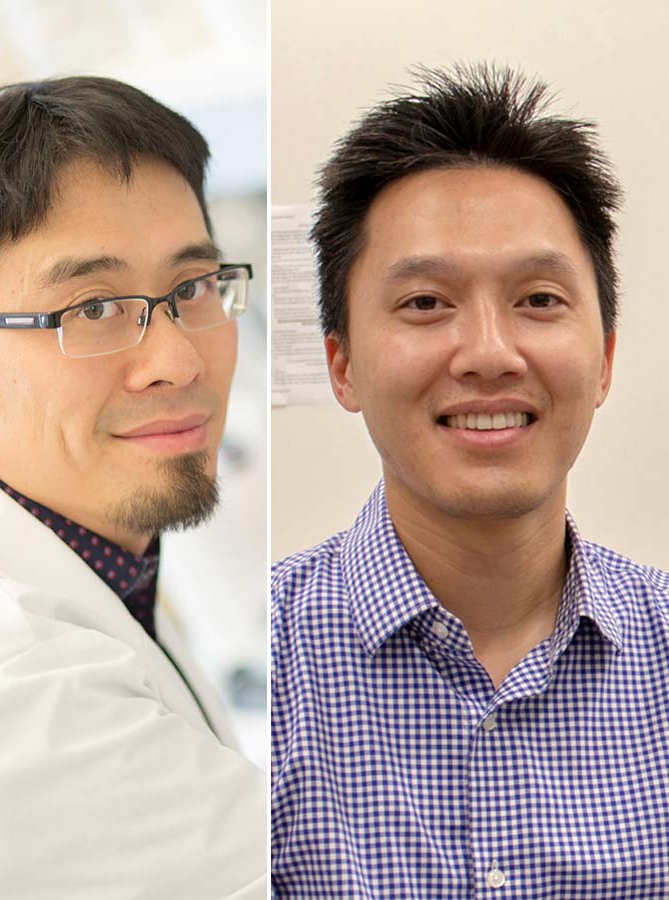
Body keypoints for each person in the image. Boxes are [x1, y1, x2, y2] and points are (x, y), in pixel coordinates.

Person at [269, 64, 669, 897]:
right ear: (341, 364)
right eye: (424, 303)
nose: (490, 353)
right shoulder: (262, 676)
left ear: (604, 361)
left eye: (539, 299)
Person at [0, 76, 266, 898]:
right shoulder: (11, 703)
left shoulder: (72, 526)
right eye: (91, 309)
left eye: (192, 290)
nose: (180, 362)